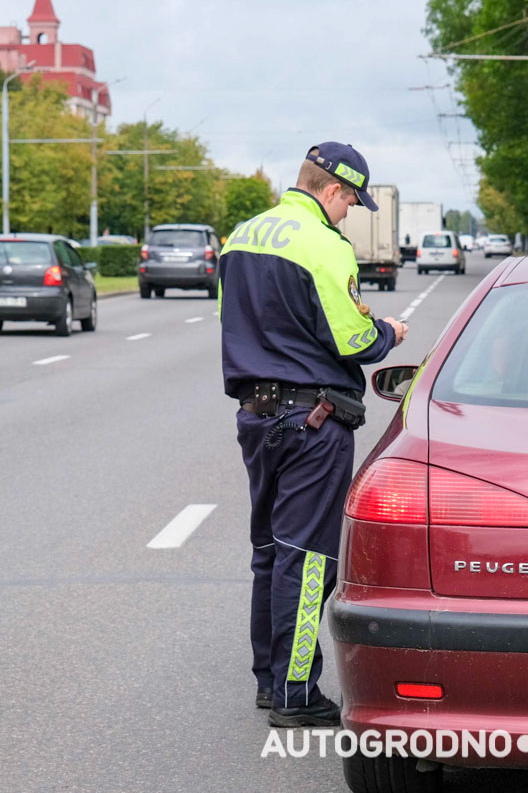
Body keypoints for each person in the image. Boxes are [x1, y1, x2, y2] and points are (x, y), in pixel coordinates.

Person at [218, 142, 408, 728]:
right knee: (307, 560)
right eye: (350, 201)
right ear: (332, 189)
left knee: (270, 552)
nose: (349, 213)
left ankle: (269, 681)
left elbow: (233, 319)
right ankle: (295, 694)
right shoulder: (324, 244)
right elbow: (354, 340)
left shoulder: (241, 236)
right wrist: (389, 331)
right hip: (313, 421)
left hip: (257, 415)